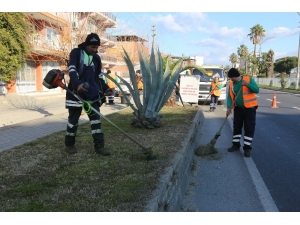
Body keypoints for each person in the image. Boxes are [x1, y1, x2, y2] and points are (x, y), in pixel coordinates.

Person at [65, 33, 112, 156]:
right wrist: (77, 85)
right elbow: (72, 69)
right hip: (75, 92)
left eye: (97, 48)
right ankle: (69, 144)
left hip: (92, 94)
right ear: (86, 45)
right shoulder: (76, 52)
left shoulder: (96, 58)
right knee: (73, 120)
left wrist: (106, 88)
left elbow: (99, 76)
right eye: (92, 47)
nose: (95, 50)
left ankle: (99, 146)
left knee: (96, 120)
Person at [226, 68, 259, 157]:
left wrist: (247, 84)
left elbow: (256, 90)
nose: (230, 79)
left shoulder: (248, 79)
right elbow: (230, 97)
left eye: (230, 77)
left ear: (234, 76)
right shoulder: (232, 84)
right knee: (237, 128)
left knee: (249, 129)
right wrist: (229, 108)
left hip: (250, 109)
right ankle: (235, 145)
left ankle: (247, 148)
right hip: (238, 109)